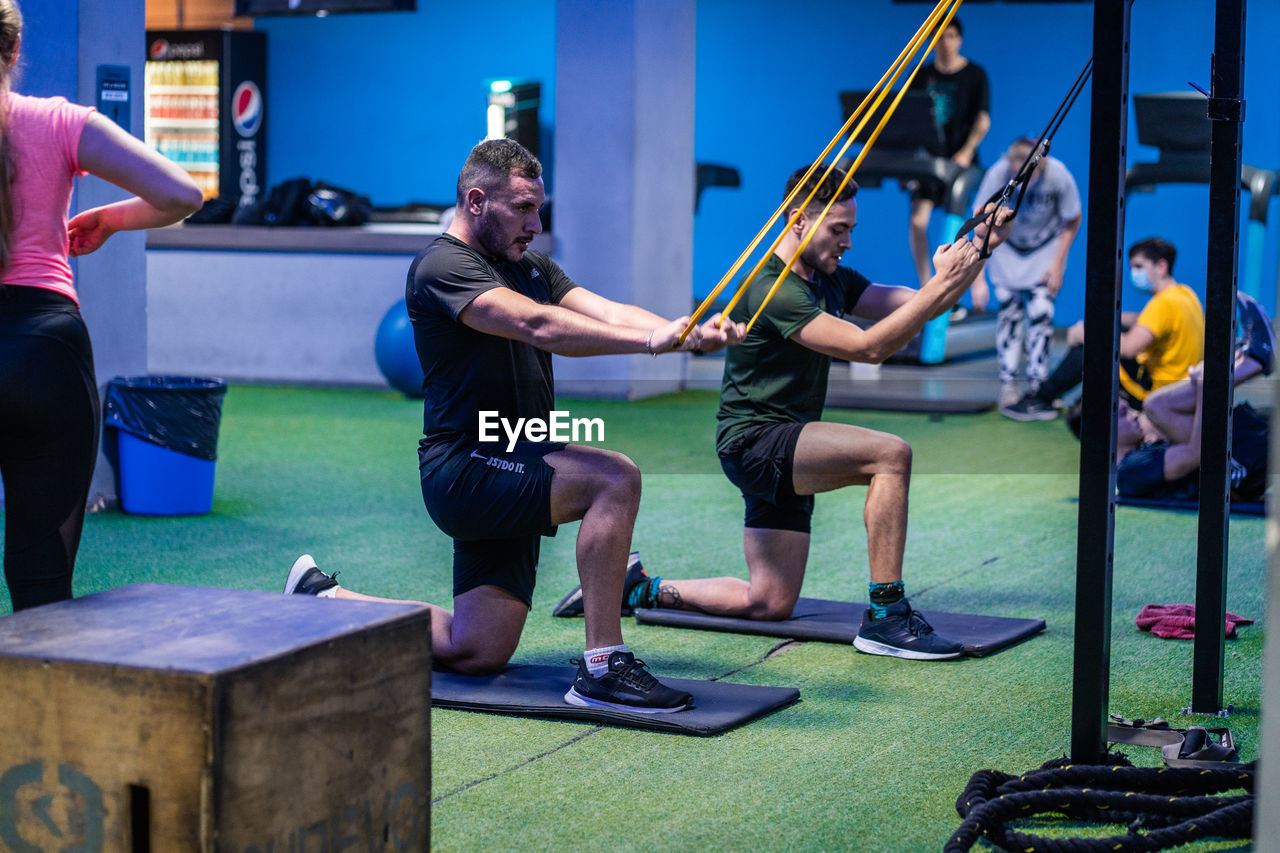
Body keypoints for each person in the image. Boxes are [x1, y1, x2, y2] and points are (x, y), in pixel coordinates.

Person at [284, 138, 743, 713]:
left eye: (539, 207)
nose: (537, 222)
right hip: (466, 468)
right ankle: (604, 665)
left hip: (515, 456)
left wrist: (686, 329)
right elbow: (541, 327)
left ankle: (324, 599)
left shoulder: (529, 267)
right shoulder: (442, 266)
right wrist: (654, 343)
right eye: (524, 207)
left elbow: (603, 311)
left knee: (476, 650)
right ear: (476, 200)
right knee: (613, 479)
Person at [555, 166, 1012, 660]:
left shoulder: (830, 278)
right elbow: (869, 346)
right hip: (756, 441)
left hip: (786, 442)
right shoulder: (773, 289)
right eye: (839, 230)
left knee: (768, 601)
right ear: (799, 220)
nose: (848, 242)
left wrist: (978, 246)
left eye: (851, 230)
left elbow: (917, 304)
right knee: (889, 455)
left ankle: (639, 587)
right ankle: (886, 614)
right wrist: (943, 284)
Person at [0, 0, 203, 612]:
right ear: (13, 52)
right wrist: (111, 219)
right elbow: (181, 193)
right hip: (45, 355)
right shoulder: (58, 122)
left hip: (42, 345)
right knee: (42, 587)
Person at [1002, 236, 1204, 421]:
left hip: (1156, 393)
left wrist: (1087, 334)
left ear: (1161, 266)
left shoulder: (1163, 304)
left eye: (1139, 266)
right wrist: (1101, 320)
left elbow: (1128, 348)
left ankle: (1040, 398)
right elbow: (1145, 320)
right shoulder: (1184, 295)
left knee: (1091, 348)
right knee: (1103, 335)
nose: (1134, 273)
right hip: (1181, 389)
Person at [1104, 293, 1272, 503]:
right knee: (1155, 405)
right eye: (1123, 414)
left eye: (1127, 409)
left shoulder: (1138, 454)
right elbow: (1196, 453)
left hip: (1240, 453)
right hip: (1239, 467)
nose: (1132, 414)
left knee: (1156, 406)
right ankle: (1255, 359)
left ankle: (1251, 358)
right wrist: (1203, 390)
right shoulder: (1130, 471)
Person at [968, 137, 1081, 408]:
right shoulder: (999, 174)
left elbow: (1072, 218)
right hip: (1008, 247)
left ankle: (1039, 387)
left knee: (1041, 313)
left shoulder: (1058, 175)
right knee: (1009, 312)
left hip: (1044, 247)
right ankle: (1008, 383)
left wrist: (1058, 263)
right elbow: (979, 221)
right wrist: (978, 279)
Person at [907, 17, 991, 288]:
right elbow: (910, 120)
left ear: (960, 40)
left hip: (961, 163)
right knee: (918, 222)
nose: (945, 42)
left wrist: (966, 152)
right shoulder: (922, 75)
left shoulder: (975, 74)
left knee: (960, 226)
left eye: (951, 36)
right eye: (940, 37)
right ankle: (926, 287)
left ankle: (963, 286)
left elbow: (982, 120)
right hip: (929, 162)